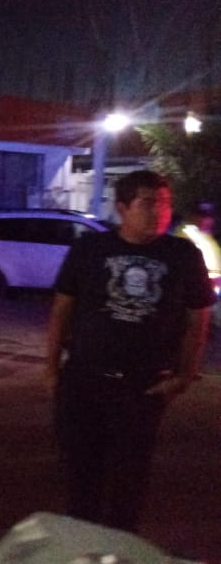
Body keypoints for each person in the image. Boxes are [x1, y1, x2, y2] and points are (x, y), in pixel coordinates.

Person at [45, 170, 214, 532]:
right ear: (122, 208)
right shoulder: (90, 249)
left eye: (164, 204)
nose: (159, 212)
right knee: (80, 477)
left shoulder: (182, 255)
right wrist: (51, 370)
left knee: (129, 482)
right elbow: (62, 308)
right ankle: (81, 546)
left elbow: (197, 318)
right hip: (83, 381)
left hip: (142, 387)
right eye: (148, 203)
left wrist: (185, 375)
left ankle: (119, 547)